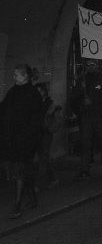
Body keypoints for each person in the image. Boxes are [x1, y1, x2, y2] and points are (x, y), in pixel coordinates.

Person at [0, 64, 43, 218]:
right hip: (12, 140)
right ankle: (33, 199)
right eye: (14, 75)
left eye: (16, 75)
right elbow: (3, 109)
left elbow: (36, 121)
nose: (13, 77)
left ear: (25, 76)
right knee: (25, 171)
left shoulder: (33, 95)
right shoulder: (13, 92)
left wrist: (25, 136)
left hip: (26, 141)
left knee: (19, 171)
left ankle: (17, 204)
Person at [71, 59, 102, 180]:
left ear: (97, 65)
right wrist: (79, 91)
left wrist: (94, 101)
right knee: (86, 142)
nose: (90, 67)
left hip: (99, 115)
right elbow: (74, 97)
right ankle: (85, 169)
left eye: (92, 65)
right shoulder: (81, 80)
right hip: (86, 116)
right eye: (87, 65)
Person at [35, 83, 62, 189]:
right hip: (38, 133)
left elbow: (56, 119)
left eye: (39, 91)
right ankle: (53, 179)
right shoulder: (36, 103)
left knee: (42, 158)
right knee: (44, 157)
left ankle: (36, 184)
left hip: (45, 134)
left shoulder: (50, 104)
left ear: (44, 91)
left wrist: (49, 129)